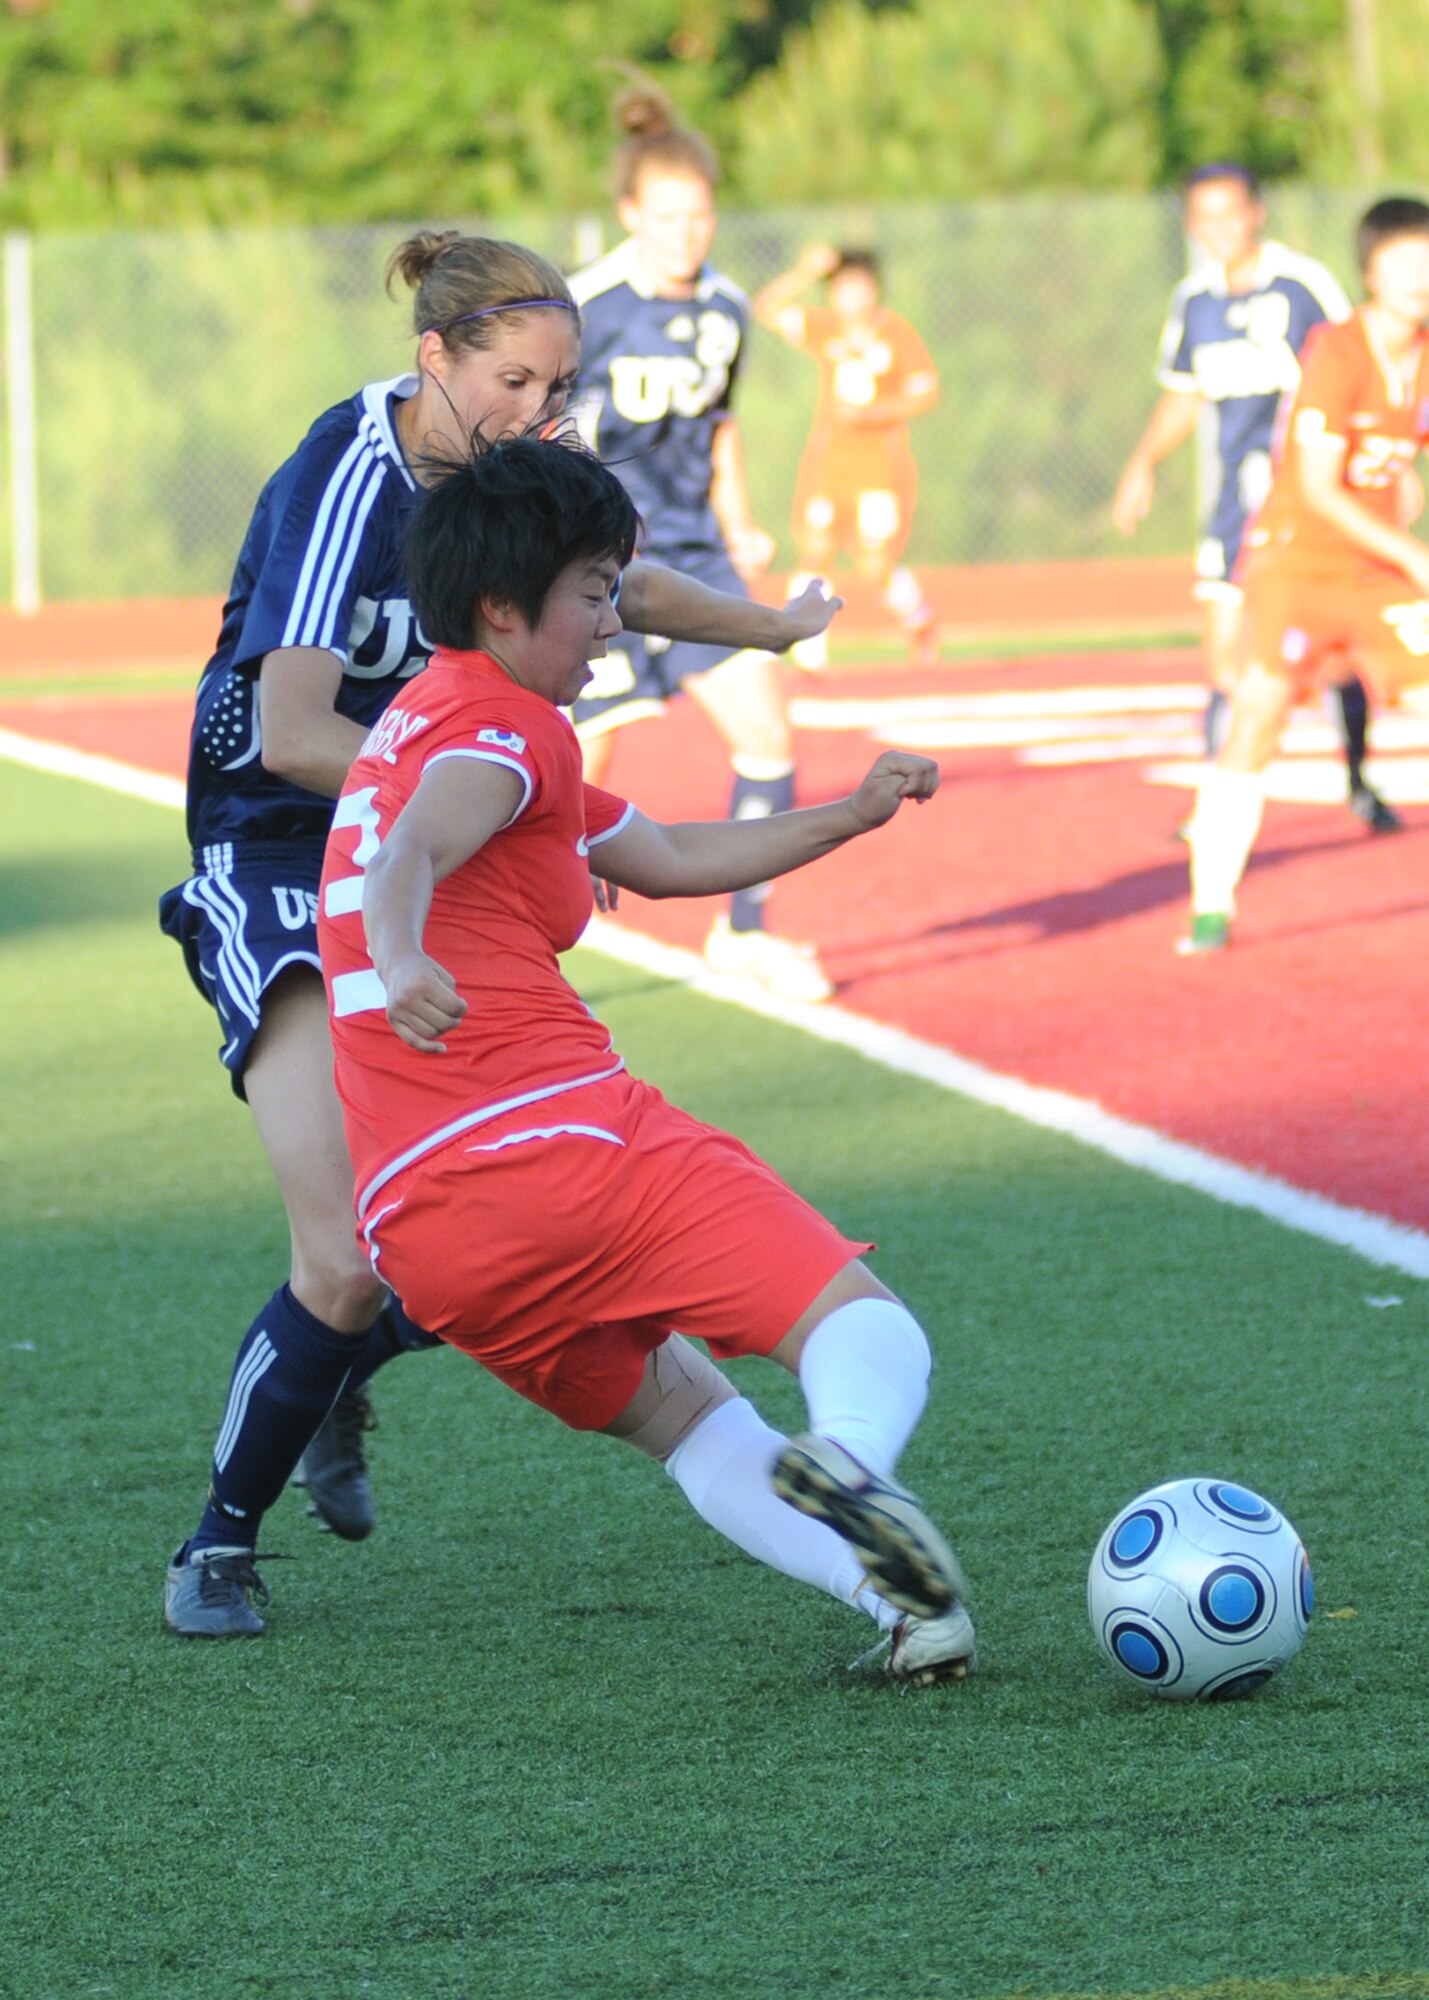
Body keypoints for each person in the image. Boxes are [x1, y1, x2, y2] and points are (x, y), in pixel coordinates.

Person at [161, 231, 840, 1637]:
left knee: (454, 1229)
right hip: (283, 849)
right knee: (346, 1253)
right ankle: (218, 1542)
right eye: (515, 381)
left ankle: (349, 1359)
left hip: (437, 824)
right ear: (434, 361)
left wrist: (769, 628)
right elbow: (292, 735)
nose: (544, 410)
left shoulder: (512, 464)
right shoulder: (346, 479)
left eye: (561, 381)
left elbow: (617, 585)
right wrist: (487, 807)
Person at [313, 432, 977, 1688]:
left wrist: (849, 809)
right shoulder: (506, 733)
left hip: (426, 1228)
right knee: (860, 1321)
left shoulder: (426, 716)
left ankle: (902, 1606)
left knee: (688, 1423)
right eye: (591, 593)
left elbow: (663, 853)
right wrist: (402, 957)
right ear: (504, 609)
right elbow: (411, 855)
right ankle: (849, 1454)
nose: (612, 623)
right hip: (561, 1142)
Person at [568, 81, 833, 1005]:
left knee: (767, 734)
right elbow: (538, 423)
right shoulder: (585, 304)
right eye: (667, 214)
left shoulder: (725, 307)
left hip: (694, 553)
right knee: (574, 768)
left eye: (701, 213)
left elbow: (719, 427)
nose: (687, 231)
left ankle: (744, 931)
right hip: (597, 563)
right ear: (630, 212)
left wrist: (740, 523)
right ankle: (507, 945)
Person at [1113, 162, 1400, 833]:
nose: (1218, 228)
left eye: (1230, 213)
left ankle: (1357, 780)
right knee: (1221, 658)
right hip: (1232, 505)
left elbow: (1358, 364)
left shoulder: (1301, 287)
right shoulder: (1193, 300)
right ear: (1190, 225)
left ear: (1256, 213)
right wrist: (1142, 463)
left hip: (1306, 504)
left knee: (1331, 658)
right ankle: (1214, 806)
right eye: (1204, 217)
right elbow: (1184, 391)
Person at [1180, 197, 1429, 954]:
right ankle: (1210, 905)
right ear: (1369, 272)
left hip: (1374, 571)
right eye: (1404, 261)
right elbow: (1319, 488)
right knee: (1256, 711)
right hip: (1296, 563)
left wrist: (1404, 498)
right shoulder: (1337, 350)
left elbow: (1397, 461)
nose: (1420, 275)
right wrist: (1412, 553)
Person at [752, 243, 942, 670]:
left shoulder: (895, 334)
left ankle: (920, 623)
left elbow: (927, 392)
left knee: (875, 564)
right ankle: (807, 652)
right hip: (829, 465)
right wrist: (805, 269)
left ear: (875, 289)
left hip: (879, 468)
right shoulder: (825, 328)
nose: (850, 297)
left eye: (858, 286)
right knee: (815, 549)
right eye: (840, 288)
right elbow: (766, 308)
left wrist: (872, 414)